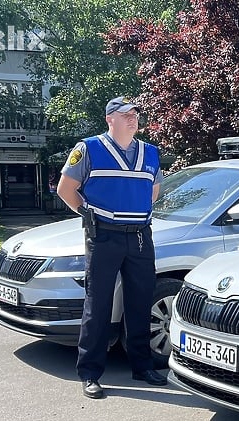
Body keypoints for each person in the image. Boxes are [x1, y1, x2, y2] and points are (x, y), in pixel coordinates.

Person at [56, 96, 167, 399]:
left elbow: (152, 192)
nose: (133, 118)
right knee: (99, 304)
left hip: (141, 237)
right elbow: (65, 189)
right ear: (110, 119)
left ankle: (142, 366)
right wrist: (89, 215)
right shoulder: (88, 148)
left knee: (140, 302)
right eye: (125, 114)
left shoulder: (151, 152)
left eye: (135, 113)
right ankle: (90, 372)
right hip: (103, 236)